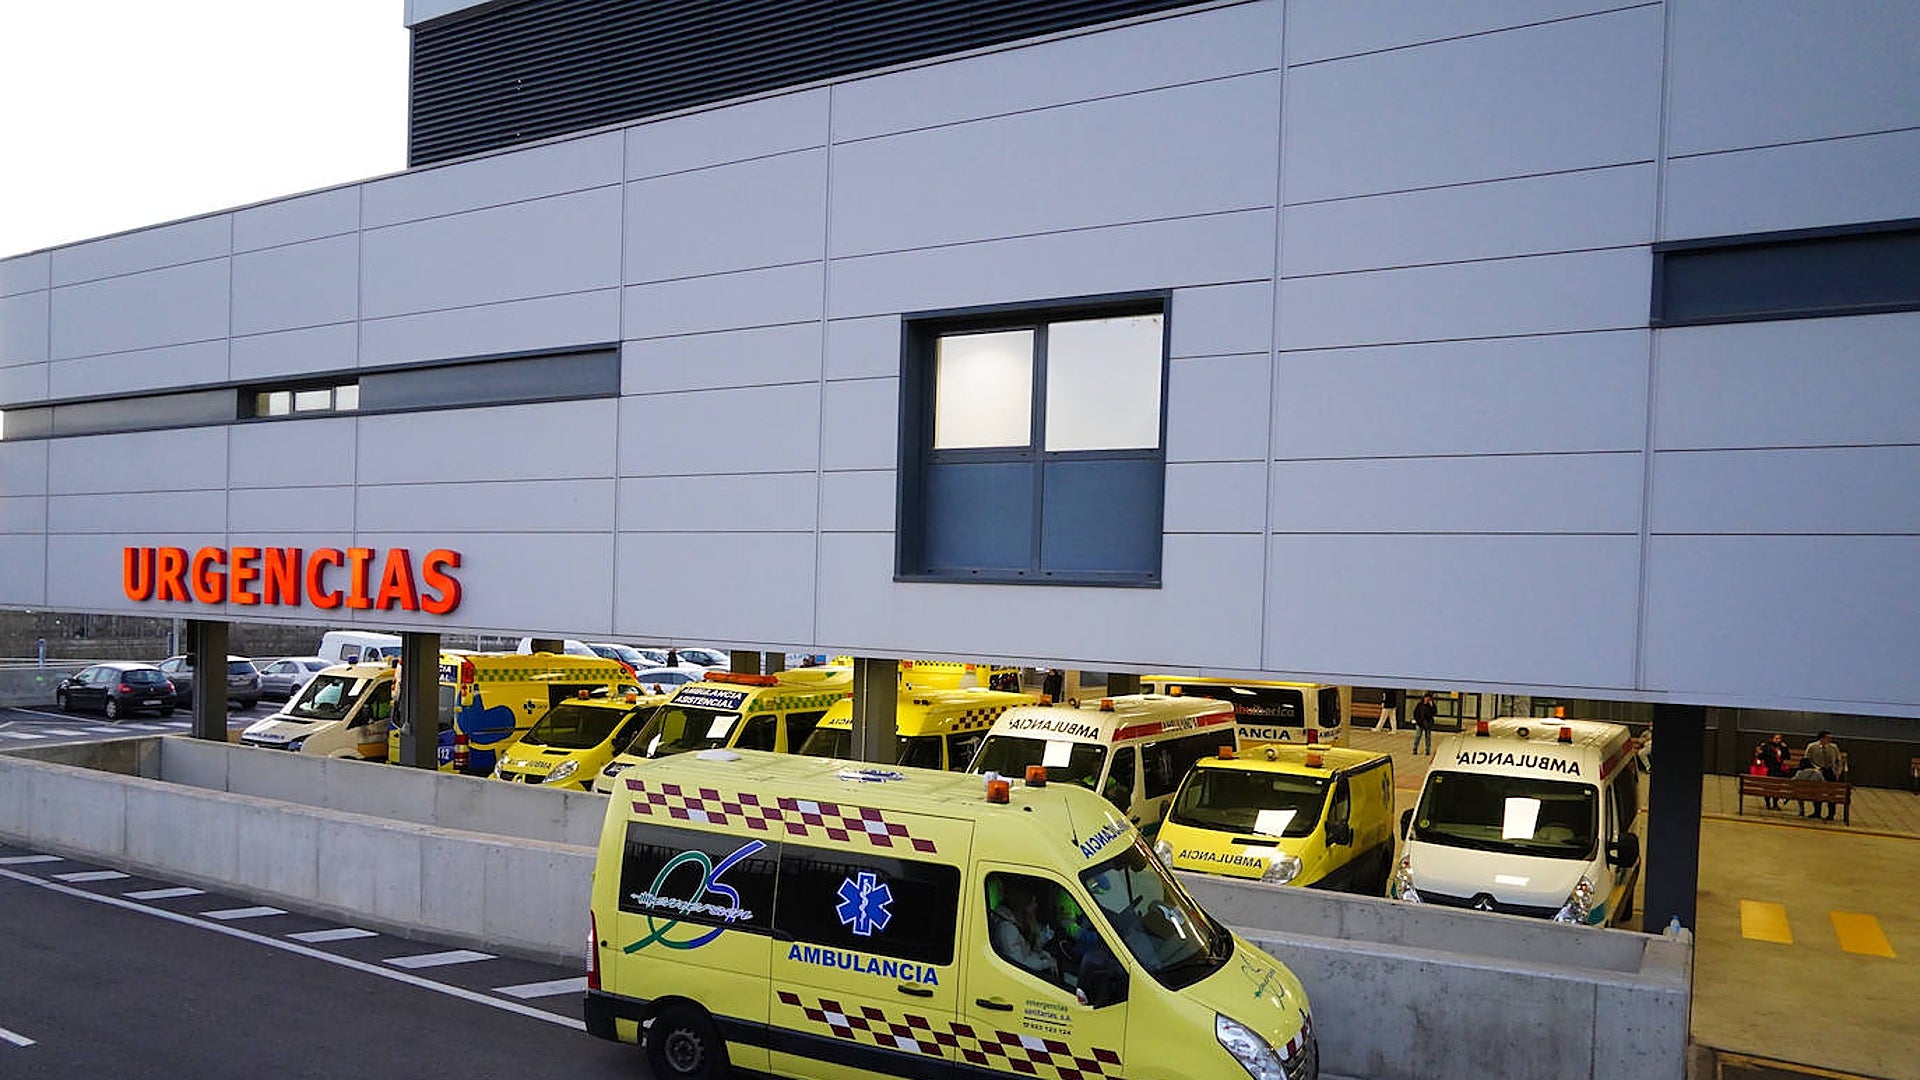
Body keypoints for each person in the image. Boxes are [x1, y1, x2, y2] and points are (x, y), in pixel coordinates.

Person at [988, 879, 1058, 979]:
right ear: (1024, 906)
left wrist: (1044, 956)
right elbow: (1020, 965)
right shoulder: (1007, 930)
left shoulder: (1017, 923)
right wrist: (1046, 963)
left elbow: (1028, 951)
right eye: (1033, 902)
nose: (1036, 905)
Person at [1791, 754, 1830, 819]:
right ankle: (1817, 812)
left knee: (1799, 792)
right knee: (1818, 793)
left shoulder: (1799, 773)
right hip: (1815, 794)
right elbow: (1824, 783)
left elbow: (1793, 781)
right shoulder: (1817, 773)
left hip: (1801, 794)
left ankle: (1802, 811)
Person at [1758, 734, 1789, 809]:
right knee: (1768, 787)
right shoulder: (1767, 746)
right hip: (1769, 769)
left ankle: (1775, 803)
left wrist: (1785, 748)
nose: (1778, 740)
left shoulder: (1781, 747)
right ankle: (1768, 803)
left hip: (1778, 769)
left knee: (1777, 787)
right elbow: (1761, 757)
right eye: (1776, 738)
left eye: (1780, 738)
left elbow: (1787, 757)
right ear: (1772, 739)